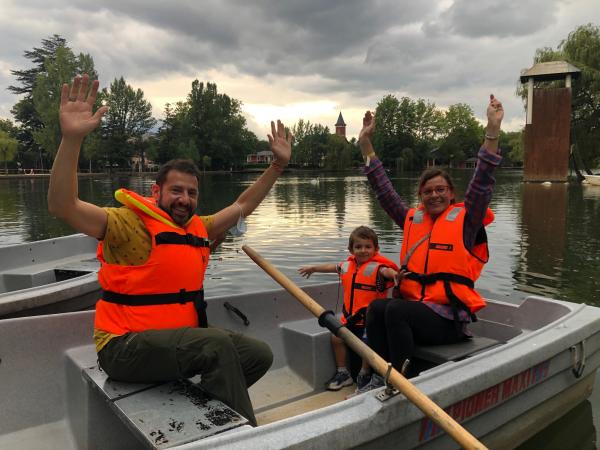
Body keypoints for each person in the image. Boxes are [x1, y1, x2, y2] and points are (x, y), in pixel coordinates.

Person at [47, 74, 293, 427]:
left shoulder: (198, 228)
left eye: (192, 193)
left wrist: (278, 166)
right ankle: (240, 437)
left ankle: (203, 414)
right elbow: (63, 205)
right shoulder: (126, 224)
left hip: (170, 349)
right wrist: (72, 139)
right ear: (156, 190)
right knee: (216, 347)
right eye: (176, 191)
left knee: (257, 355)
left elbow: (242, 205)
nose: (185, 199)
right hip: (123, 348)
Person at [357, 94, 504, 391]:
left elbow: (482, 181)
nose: (434, 195)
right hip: (416, 313)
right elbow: (384, 191)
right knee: (377, 309)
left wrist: (492, 131)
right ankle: (377, 374)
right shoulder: (413, 219)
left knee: (396, 309)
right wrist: (365, 145)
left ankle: (399, 381)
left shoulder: (467, 220)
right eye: (427, 191)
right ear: (421, 197)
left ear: (451, 194)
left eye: (440, 190)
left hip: (447, 321)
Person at [298, 226, 398, 393]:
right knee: (336, 338)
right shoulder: (347, 265)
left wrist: (395, 275)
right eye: (358, 247)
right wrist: (314, 268)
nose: (363, 250)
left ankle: (364, 375)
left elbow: (387, 272)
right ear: (351, 249)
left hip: (370, 322)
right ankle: (343, 373)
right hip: (350, 318)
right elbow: (332, 267)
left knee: (366, 345)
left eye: (368, 247)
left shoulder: (378, 268)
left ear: (376, 249)